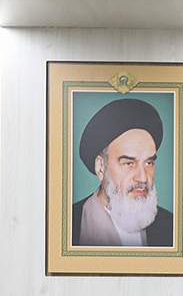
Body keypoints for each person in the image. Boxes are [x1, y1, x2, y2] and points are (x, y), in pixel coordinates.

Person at [71, 98, 175, 249]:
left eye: (148, 163)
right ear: (101, 168)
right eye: (128, 164)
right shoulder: (68, 224)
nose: (143, 177)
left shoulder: (171, 226)